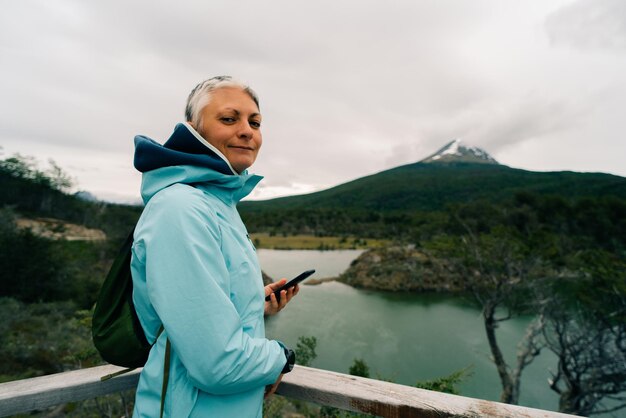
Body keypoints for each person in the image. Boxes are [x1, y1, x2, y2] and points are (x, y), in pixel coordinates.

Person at [130, 76, 298, 417]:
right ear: (194, 130)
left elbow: (196, 309)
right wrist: (283, 357)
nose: (247, 130)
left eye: (255, 122)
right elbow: (217, 363)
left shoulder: (218, 204)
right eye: (228, 118)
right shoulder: (181, 209)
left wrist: (255, 303)